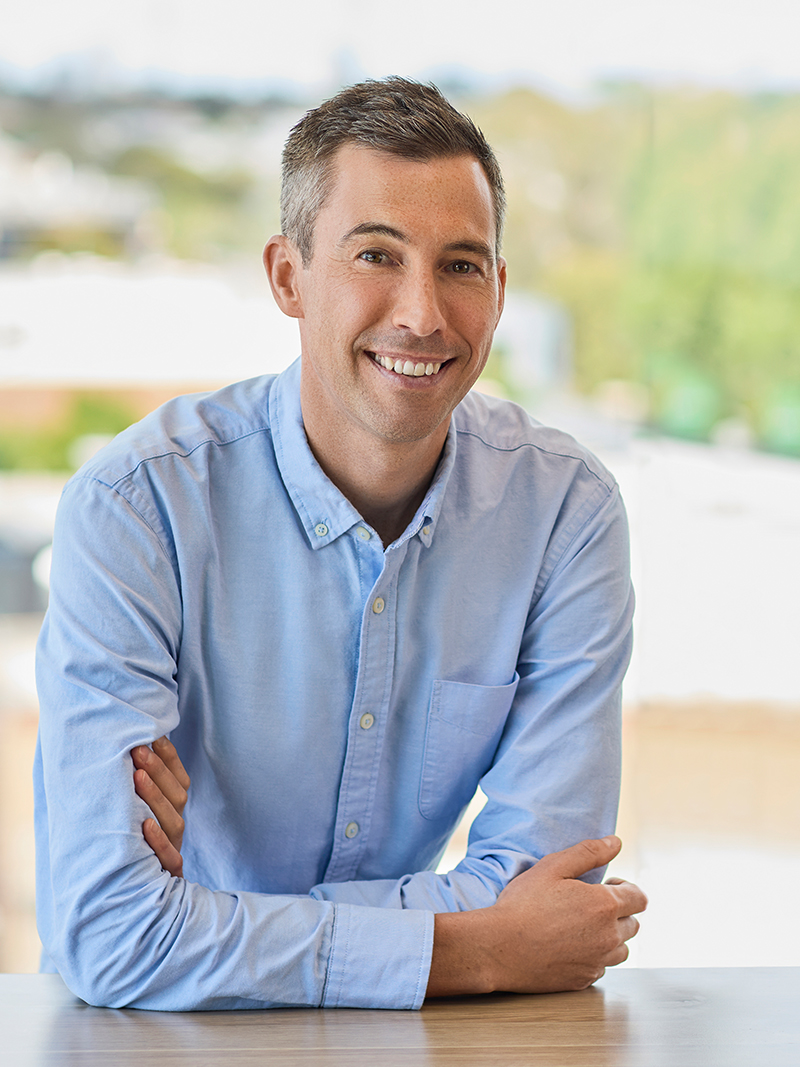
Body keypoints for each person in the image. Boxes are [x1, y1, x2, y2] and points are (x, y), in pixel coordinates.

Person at [34, 77, 646, 1011]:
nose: (422, 314)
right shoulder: (137, 507)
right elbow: (111, 933)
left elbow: (547, 892)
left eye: (462, 265)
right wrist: (478, 948)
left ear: (501, 289)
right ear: (288, 276)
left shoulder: (566, 514)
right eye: (375, 255)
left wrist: (212, 920)